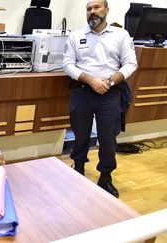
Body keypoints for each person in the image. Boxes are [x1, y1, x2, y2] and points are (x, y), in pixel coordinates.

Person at [63, 0, 137, 198]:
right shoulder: (76, 36)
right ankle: (78, 166)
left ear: (106, 10)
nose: (92, 12)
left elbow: (130, 64)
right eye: (89, 9)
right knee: (80, 134)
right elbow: (68, 65)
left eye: (96, 7)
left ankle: (105, 176)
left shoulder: (121, 35)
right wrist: (91, 80)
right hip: (82, 91)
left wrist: (110, 81)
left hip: (110, 93)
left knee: (107, 138)